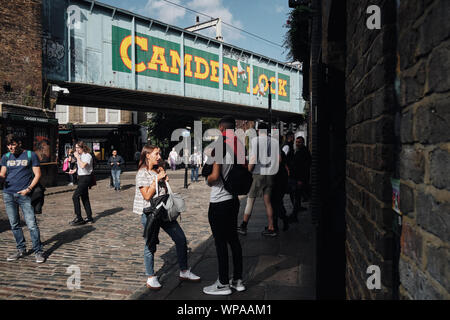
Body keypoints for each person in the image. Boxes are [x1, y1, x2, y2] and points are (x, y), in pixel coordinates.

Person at [133, 144, 200, 290]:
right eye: (156, 154)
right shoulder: (142, 173)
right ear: (147, 155)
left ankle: (184, 271)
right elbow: (147, 196)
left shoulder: (159, 169)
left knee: (181, 239)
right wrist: (156, 180)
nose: (159, 156)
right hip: (150, 213)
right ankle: (151, 277)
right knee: (150, 245)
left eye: (159, 153)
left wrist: (163, 179)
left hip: (164, 212)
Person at [203, 116, 245, 295]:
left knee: (220, 243)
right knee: (234, 240)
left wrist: (207, 179)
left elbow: (213, 177)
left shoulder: (218, 147)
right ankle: (237, 280)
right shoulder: (240, 146)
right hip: (233, 200)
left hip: (219, 201)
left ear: (220, 128)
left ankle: (222, 283)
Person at [0, 134, 45, 263]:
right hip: (8, 194)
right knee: (14, 224)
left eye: (13, 144)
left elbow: (38, 174)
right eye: (9, 145)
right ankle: (21, 249)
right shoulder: (6, 157)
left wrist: (28, 189)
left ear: (19, 143)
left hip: (24, 194)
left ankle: (38, 251)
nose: (11, 147)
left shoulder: (30, 155)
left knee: (31, 224)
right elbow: (2, 174)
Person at [237, 122, 277, 237]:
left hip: (258, 174)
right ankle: (271, 227)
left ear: (259, 130)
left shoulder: (256, 141)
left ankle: (244, 226)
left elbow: (253, 158)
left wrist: (248, 170)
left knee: (250, 199)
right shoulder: (274, 142)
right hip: (270, 174)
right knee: (268, 202)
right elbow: (277, 160)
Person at [69, 141, 94, 225]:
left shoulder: (87, 156)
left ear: (82, 148)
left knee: (75, 197)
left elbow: (83, 165)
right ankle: (89, 217)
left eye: (78, 148)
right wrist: (74, 170)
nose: (76, 150)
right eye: (75, 148)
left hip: (86, 178)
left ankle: (79, 217)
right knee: (84, 197)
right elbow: (80, 167)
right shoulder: (81, 156)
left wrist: (77, 158)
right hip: (81, 177)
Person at [288, 136, 312, 223]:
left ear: (303, 143)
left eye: (299, 142)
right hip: (293, 177)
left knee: (297, 196)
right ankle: (295, 211)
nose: (297, 144)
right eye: (296, 142)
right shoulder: (296, 151)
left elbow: (305, 168)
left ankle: (294, 215)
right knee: (293, 195)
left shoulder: (304, 152)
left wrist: (301, 180)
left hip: (298, 178)